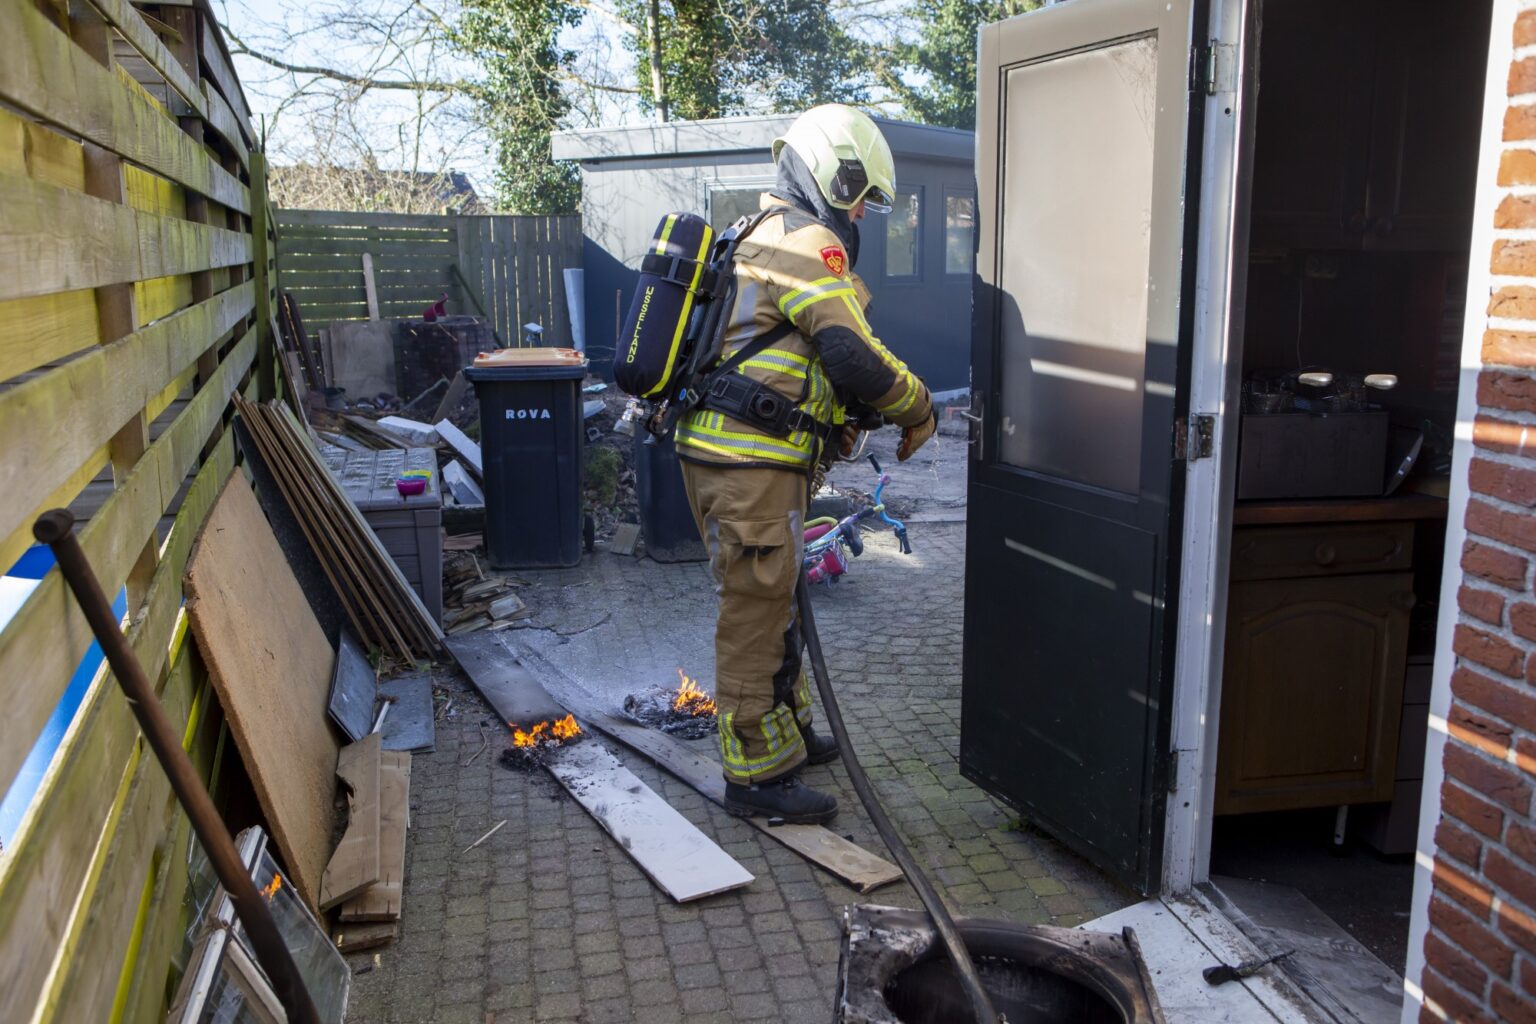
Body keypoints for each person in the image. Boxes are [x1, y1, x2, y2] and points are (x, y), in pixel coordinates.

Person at [675, 104, 937, 824]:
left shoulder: (752, 234)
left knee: (776, 593)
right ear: (831, 169)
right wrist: (917, 407)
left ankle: (787, 734)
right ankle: (755, 775)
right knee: (756, 609)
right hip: (749, 463)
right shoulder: (804, 239)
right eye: (857, 191)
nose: (858, 210)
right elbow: (850, 350)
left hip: (740, 457)